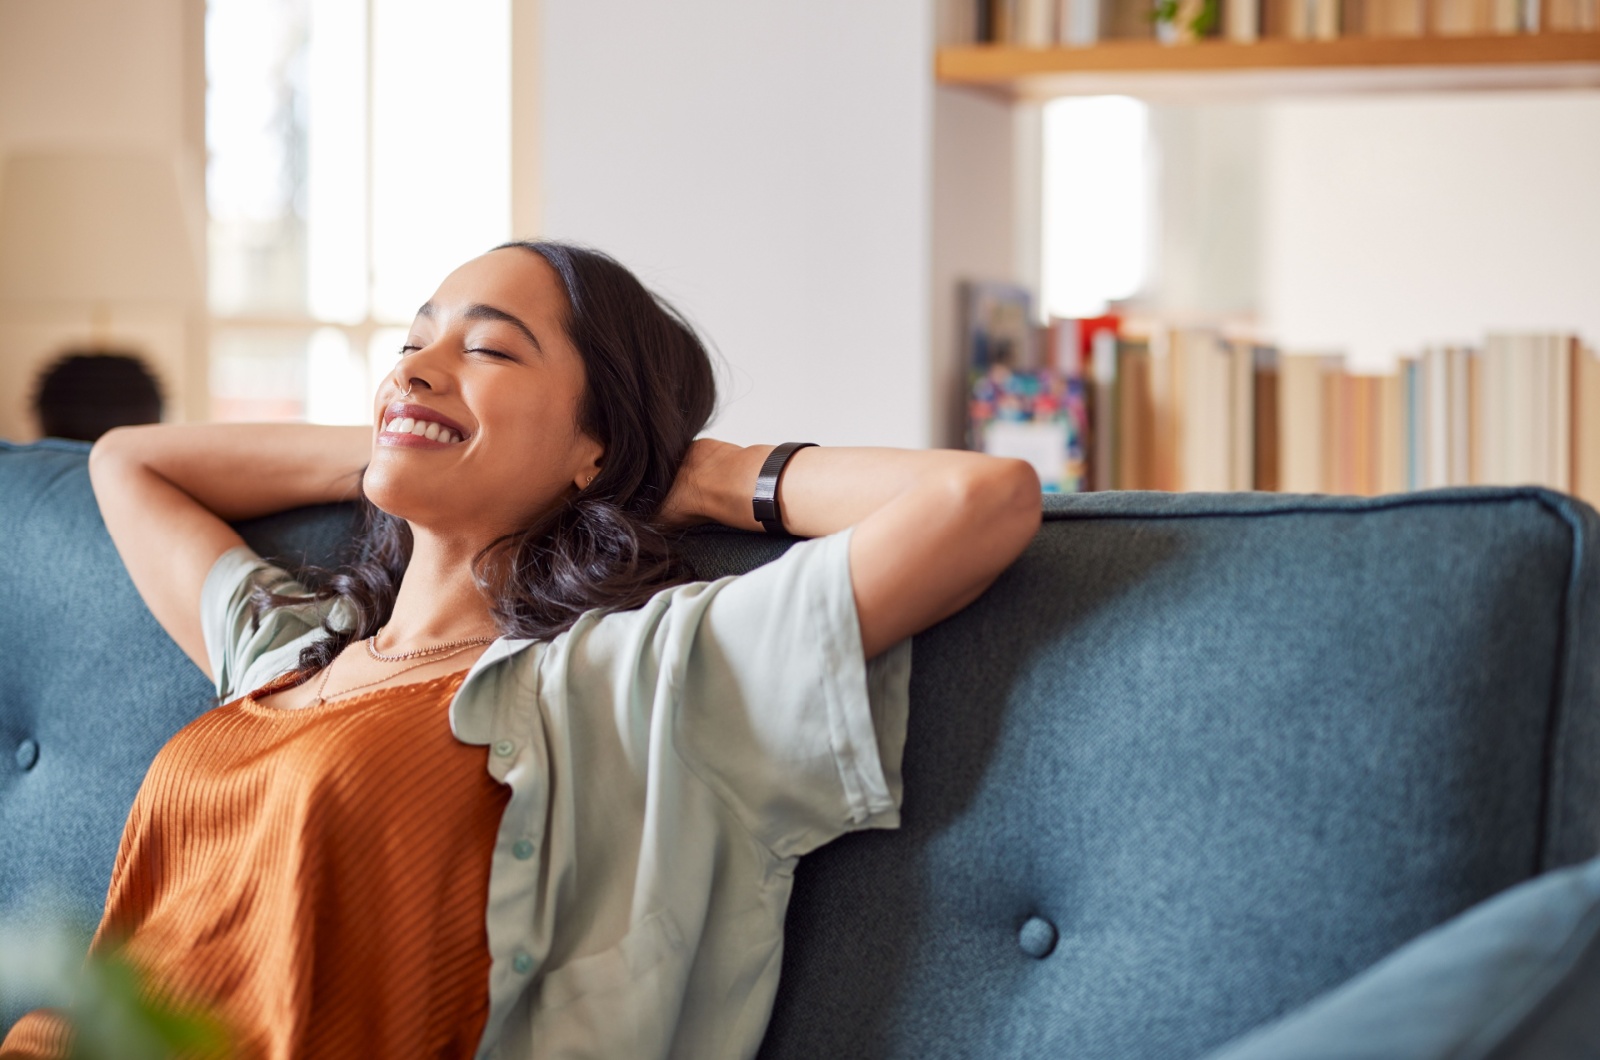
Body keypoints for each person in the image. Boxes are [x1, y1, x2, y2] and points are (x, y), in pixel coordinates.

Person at [0, 241, 1041, 1060]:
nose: (416, 366)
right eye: (413, 343)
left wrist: (699, 473)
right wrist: (406, 435)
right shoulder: (288, 651)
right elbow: (129, 463)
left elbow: (979, 499)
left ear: (597, 443)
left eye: (490, 350)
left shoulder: (635, 681)